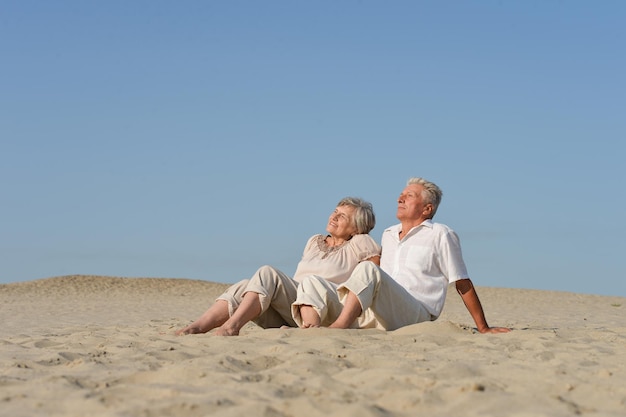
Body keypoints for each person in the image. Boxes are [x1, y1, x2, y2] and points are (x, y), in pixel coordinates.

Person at [293, 178, 511, 334]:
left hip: (416, 313)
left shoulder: (440, 234)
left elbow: (462, 282)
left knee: (369, 269)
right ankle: (310, 330)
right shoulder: (388, 234)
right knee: (314, 282)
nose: (401, 198)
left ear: (427, 209)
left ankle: (339, 327)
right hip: (383, 310)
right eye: (401, 194)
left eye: (409, 196)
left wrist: (483, 327)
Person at [175, 196, 381, 336]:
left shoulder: (360, 242)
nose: (333, 217)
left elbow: (371, 280)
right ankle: (197, 328)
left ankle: (232, 327)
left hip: (331, 311)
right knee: (246, 286)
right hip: (298, 307)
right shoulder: (314, 241)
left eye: (342, 216)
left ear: (357, 227)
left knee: (269, 272)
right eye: (334, 211)